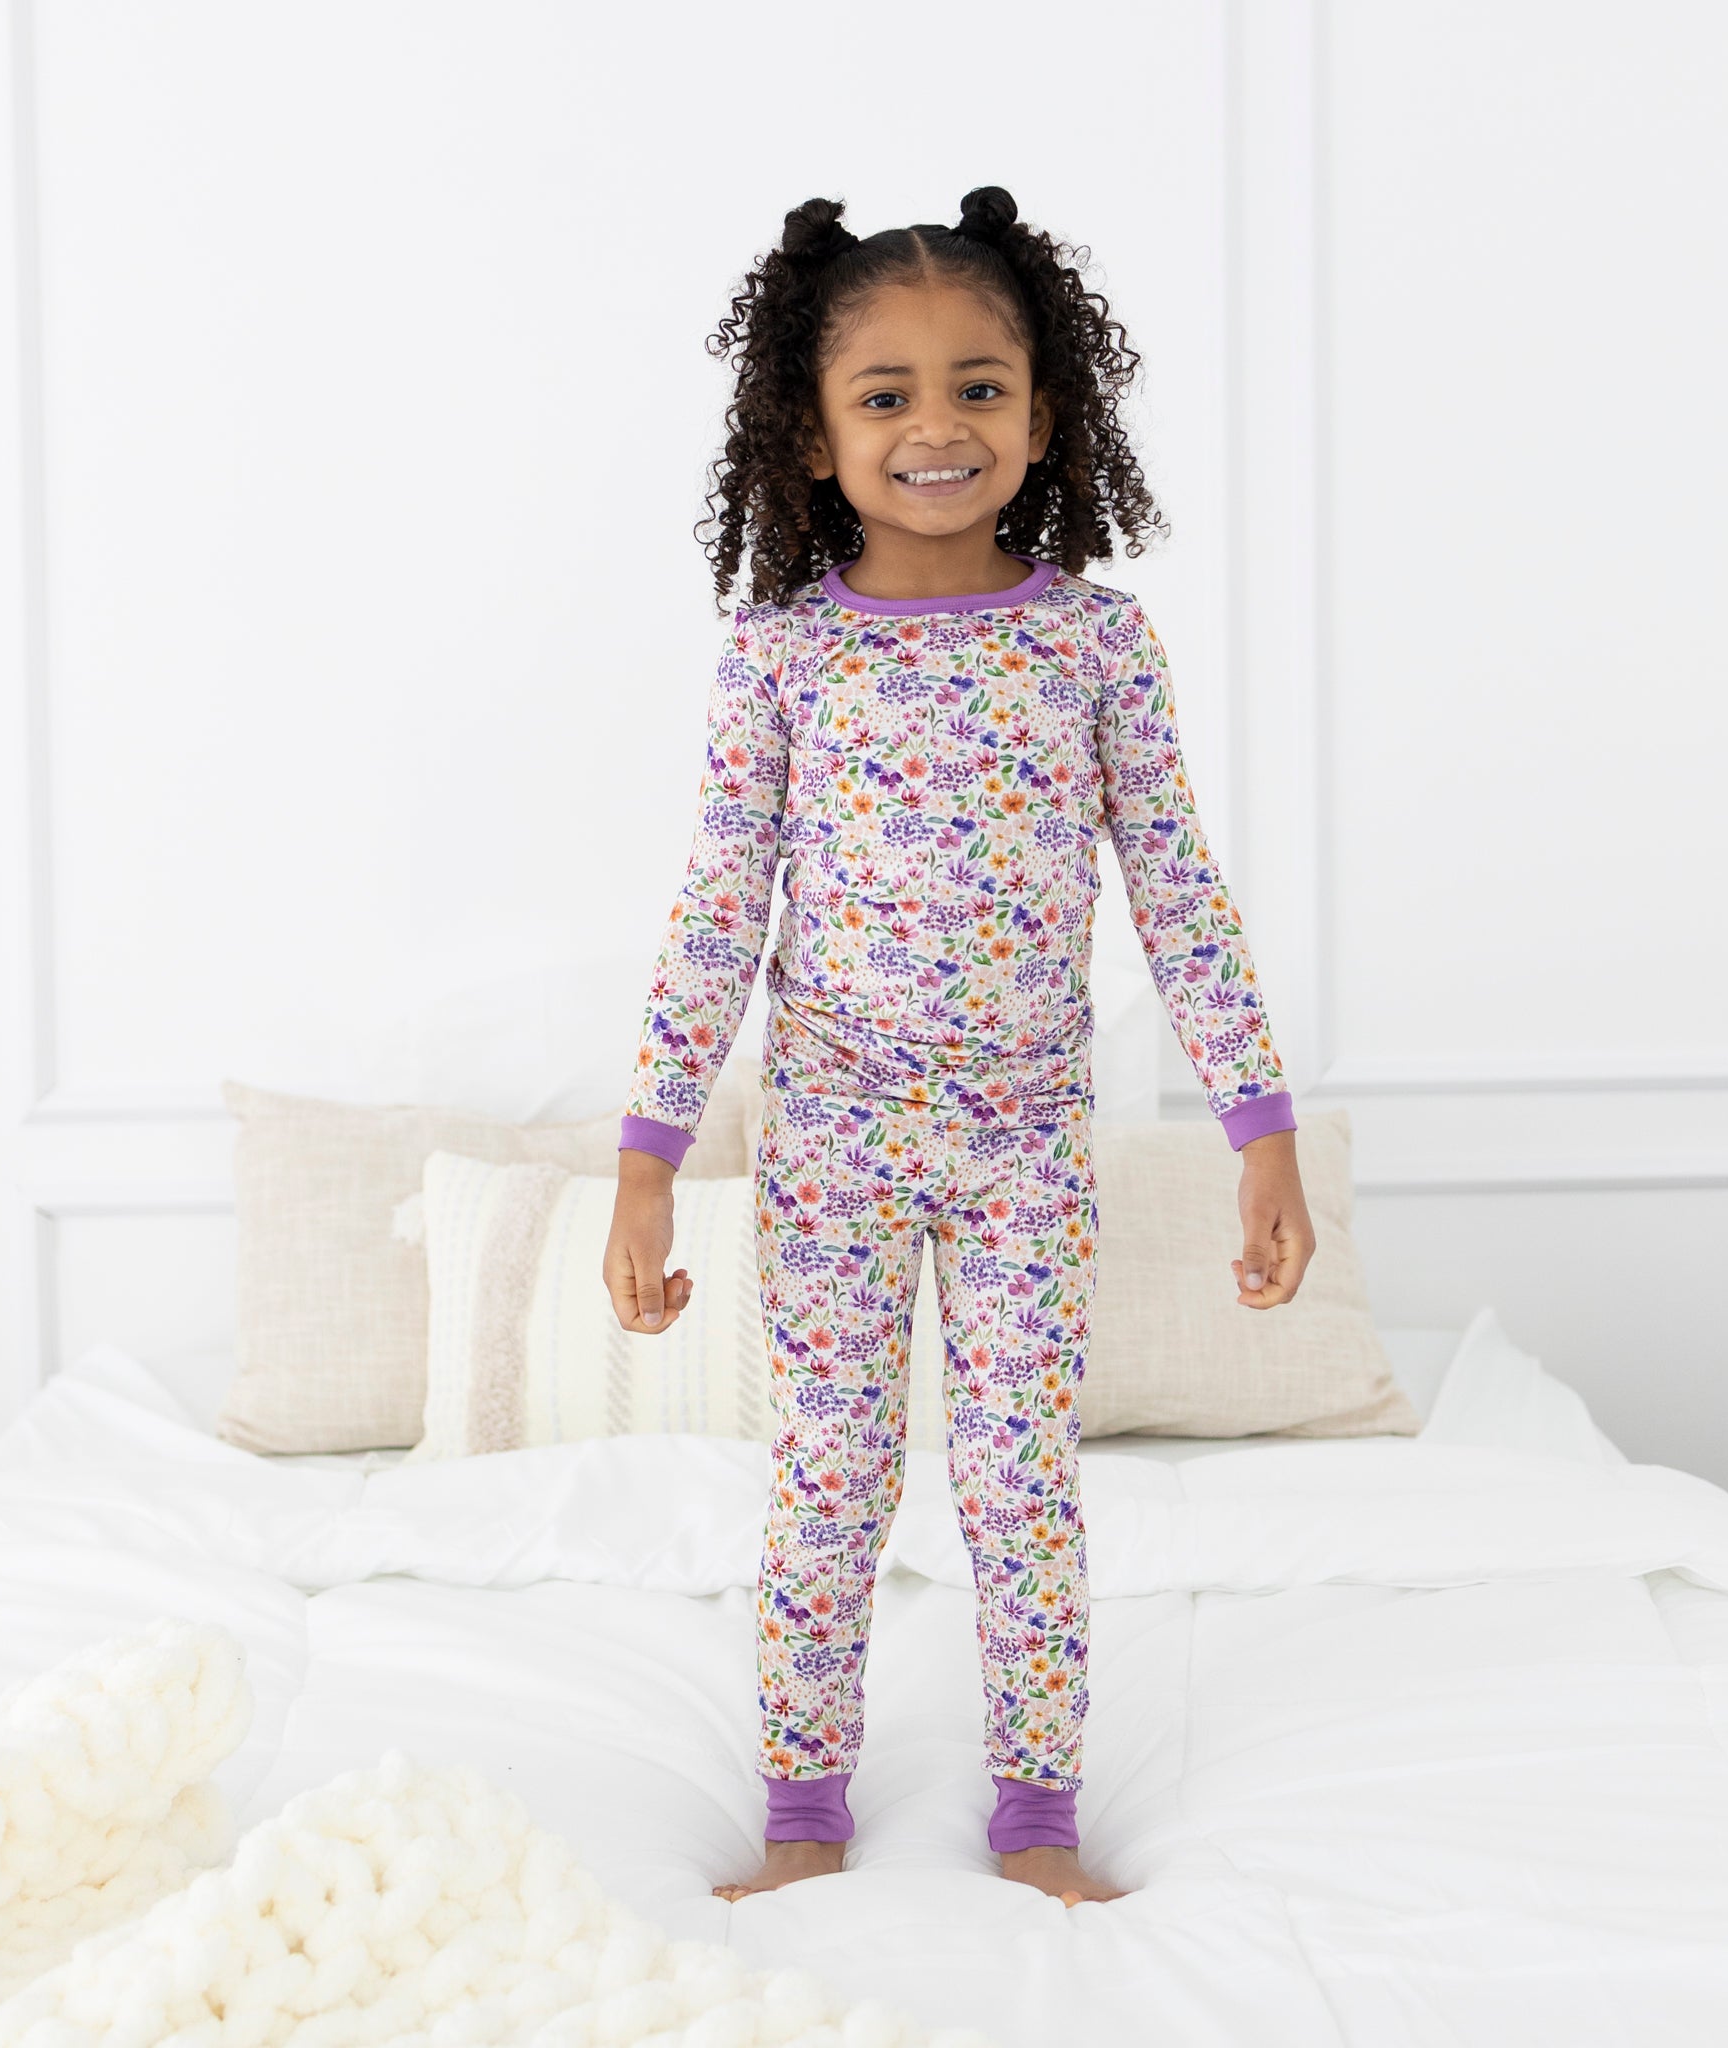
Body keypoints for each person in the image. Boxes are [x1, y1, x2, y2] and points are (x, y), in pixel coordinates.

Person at [603, 186, 1314, 1910]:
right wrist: (643, 1159)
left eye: (980, 387)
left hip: (1022, 1149)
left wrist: (1263, 1127)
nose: (938, 426)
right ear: (815, 434)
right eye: (888, 395)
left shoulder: (1094, 644)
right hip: (832, 1143)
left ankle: (1040, 1823)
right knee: (829, 1483)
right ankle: (798, 1807)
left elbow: (1180, 897)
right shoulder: (782, 661)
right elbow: (714, 919)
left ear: (1044, 411)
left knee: (1020, 1488)